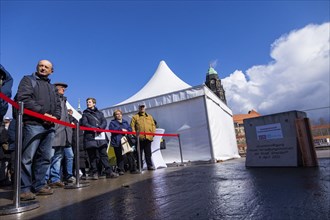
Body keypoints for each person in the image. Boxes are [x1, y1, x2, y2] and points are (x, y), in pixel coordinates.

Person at [17, 60, 61, 201]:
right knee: (27, 158)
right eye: (41, 66)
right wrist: (43, 113)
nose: (43, 68)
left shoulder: (52, 87)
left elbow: (58, 105)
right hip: (33, 124)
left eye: (46, 67)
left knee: (45, 158)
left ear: (51, 71)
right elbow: (24, 99)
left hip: (49, 127)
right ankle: (24, 189)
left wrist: (55, 117)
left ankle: (39, 185)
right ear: (37, 67)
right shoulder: (28, 80)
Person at [81, 98, 118, 180]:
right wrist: (94, 128)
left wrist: (100, 128)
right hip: (90, 137)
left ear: (94, 103)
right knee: (92, 156)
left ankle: (109, 171)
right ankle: (95, 172)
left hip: (100, 137)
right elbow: (84, 123)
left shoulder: (100, 113)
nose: (88, 103)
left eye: (89, 102)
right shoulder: (85, 114)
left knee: (103, 154)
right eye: (87, 102)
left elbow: (104, 122)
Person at [46, 82, 75, 188]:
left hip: (63, 133)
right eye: (62, 88)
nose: (64, 89)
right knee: (48, 157)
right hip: (55, 131)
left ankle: (55, 178)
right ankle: (44, 180)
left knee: (58, 157)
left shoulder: (63, 100)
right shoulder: (53, 99)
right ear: (57, 88)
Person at [109, 110, 138, 175]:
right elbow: (111, 130)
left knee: (130, 154)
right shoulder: (112, 122)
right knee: (119, 156)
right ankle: (121, 170)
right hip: (117, 141)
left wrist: (127, 131)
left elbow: (129, 129)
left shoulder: (125, 122)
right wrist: (121, 130)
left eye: (120, 114)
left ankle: (133, 169)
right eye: (117, 114)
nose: (119, 115)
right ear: (115, 116)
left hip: (126, 140)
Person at [130, 104, 156, 171]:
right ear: (138, 108)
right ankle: (140, 167)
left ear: (145, 108)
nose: (142, 108)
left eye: (143, 107)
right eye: (140, 107)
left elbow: (153, 125)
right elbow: (132, 126)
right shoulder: (135, 117)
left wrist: (153, 133)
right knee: (139, 154)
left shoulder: (150, 116)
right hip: (139, 139)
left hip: (148, 138)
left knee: (148, 153)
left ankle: (149, 166)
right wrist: (135, 135)